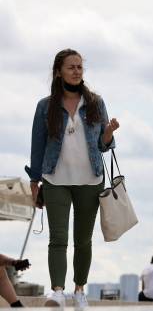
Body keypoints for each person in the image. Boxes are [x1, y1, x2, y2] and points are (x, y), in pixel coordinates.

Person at [26, 49, 120, 310]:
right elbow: (37, 146)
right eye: (71, 67)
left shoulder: (95, 103)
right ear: (59, 71)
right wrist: (35, 183)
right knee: (57, 238)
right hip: (56, 179)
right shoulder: (45, 106)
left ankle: (79, 290)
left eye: (80, 67)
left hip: (90, 180)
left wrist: (109, 133)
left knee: (83, 240)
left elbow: (104, 146)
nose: (77, 71)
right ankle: (57, 291)